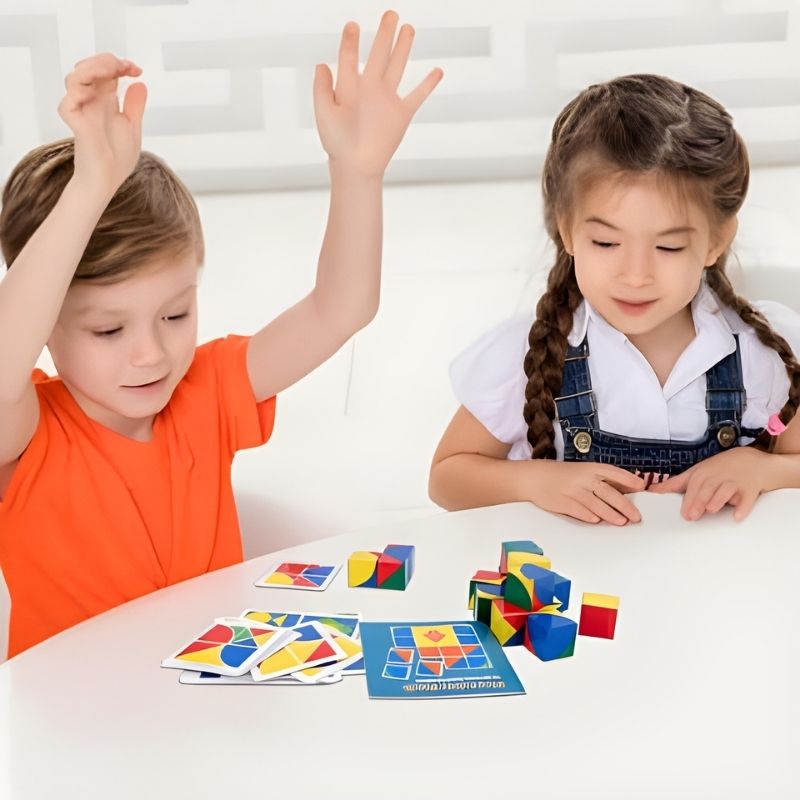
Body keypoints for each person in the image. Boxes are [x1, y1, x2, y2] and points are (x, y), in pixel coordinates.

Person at [0, 11, 442, 658]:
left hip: (211, 699)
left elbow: (340, 309)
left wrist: (358, 173)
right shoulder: (27, 433)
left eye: (175, 315)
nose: (151, 354)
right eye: (108, 329)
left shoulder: (206, 391)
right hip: (70, 715)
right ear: (45, 325)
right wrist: (92, 185)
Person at [429, 74, 800, 527]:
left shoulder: (762, 354)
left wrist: (764, 468)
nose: (636, 275)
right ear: (567, 230)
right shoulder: (530, 352)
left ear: (716, 240)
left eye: (668, 247)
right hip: (572, 570)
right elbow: (446, 478)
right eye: (606, 243)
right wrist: (534, 480)